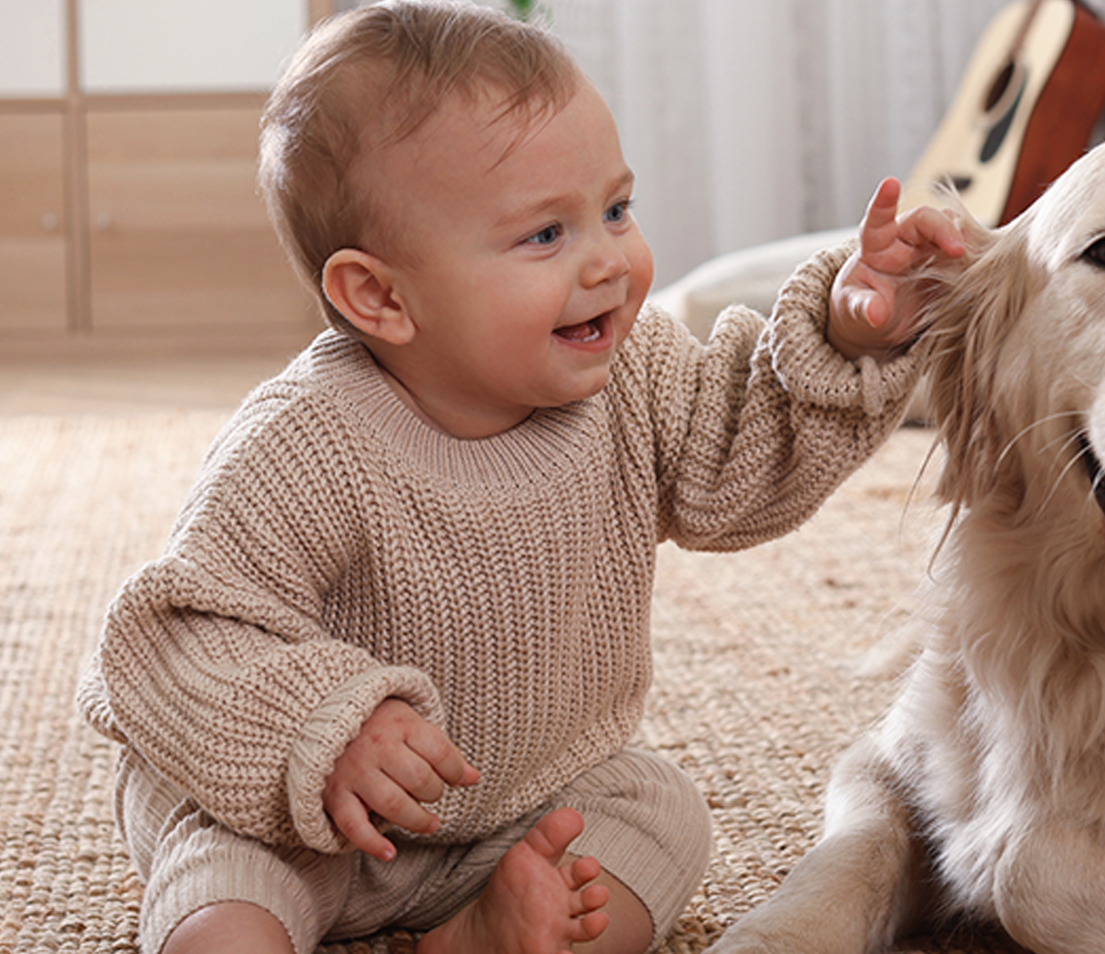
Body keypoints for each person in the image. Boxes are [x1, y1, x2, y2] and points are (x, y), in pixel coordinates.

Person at [73, 2, 964, 953]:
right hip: (302, 813)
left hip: (516, 805)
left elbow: (741, 461)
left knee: (659, 813)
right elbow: (170, 642)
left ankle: (479, 933)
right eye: (545, 236)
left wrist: (849, 334)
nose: (610, 263)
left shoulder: (636, 377)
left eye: (616, 209)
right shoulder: (309, 442)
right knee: (224, 889)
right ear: (381, 295)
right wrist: (325, 732)